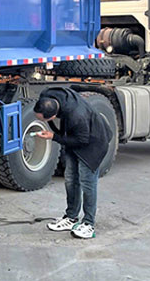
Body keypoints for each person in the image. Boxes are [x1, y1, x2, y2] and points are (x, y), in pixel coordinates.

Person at [33, 88, 111, 239]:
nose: (41, 122)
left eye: (43, 120)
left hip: (92, 143)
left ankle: (88, 224)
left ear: (54, 115)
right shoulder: (47, 95)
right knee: (70, 178)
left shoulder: (77, 116)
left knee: (87, 182)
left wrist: (54, 136)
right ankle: (71, 217)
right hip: (74, 137)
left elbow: (82, 140)